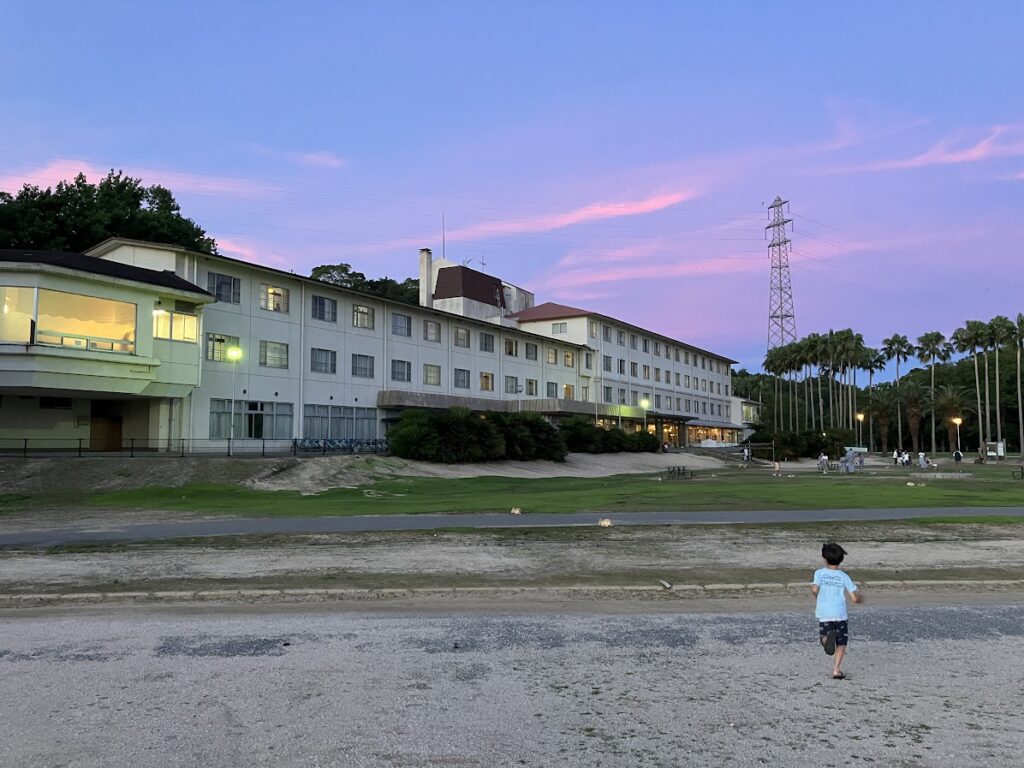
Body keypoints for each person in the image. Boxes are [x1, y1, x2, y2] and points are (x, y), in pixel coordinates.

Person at [811, 542, 862, 680]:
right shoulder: (844, 576)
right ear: (841, 559)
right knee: (842, 642)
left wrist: (817, 596)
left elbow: (814, 589)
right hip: (840, 614)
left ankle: (826, 639)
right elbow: (854, 598)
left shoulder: (819, 573)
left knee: (823, 635)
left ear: (824, 558)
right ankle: (836, 670)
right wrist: (860, 598)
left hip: (824, 612)